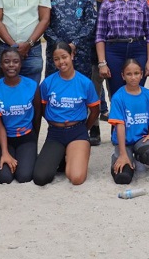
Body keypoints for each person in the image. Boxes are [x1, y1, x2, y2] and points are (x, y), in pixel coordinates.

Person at [34, 43, 100, 186]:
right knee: (40, 178)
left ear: (72, 56)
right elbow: (44, 107)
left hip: (77, 132)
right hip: (55, 133)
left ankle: (77, 153)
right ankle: (63, 156)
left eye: (64, 57)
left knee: (76, 178)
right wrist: (54, 121)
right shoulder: (48, 83)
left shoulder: (85, 83)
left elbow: (95, 110)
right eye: (56, 59)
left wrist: (84, 129)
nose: (61, 62)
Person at [95, 0, 149, 98]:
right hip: (114, 51)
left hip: (138, 50)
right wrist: (102, 63)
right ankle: (119, 119)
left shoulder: (142, 2)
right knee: (117, 95)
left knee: (137, 92)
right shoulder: (108, 3)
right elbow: (100, 36)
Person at [44, 0, 97, 81]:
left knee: (81, 90)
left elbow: (90, 22)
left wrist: (74, 44)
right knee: (54, 89)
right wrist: (60, 46)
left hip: (80, 53)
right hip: (56, 53)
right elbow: (44, 22)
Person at [0, 48, 40, 184]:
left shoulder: (32, 86)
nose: (11, 65)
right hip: (4, 139)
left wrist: (34, 138)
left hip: (26, 137)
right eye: (6, 62)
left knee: (24, 176)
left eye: (15, 61)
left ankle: (28, 155)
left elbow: (37, 115)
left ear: (21, 64)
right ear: (1, 65)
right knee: (4, 178)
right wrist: (3, 151)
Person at [108, 58, 149, 185]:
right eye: (129, 74)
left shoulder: (147, 94)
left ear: (141, 74)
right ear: (123, 76)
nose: (133, 77)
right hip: (124, 141)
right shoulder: (118, 97)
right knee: (123, 177)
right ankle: (117, 156)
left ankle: (137, 155)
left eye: (136, 73)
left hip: (141, 138)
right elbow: (119, 125)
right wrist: (123, 154)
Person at [89, 0, 111, 143]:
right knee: (94, 95)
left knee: (114, 92)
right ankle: (94, 128)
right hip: (91, 56)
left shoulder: (114, 3)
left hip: (112, 54)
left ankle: (115, 127)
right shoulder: (88, 4)